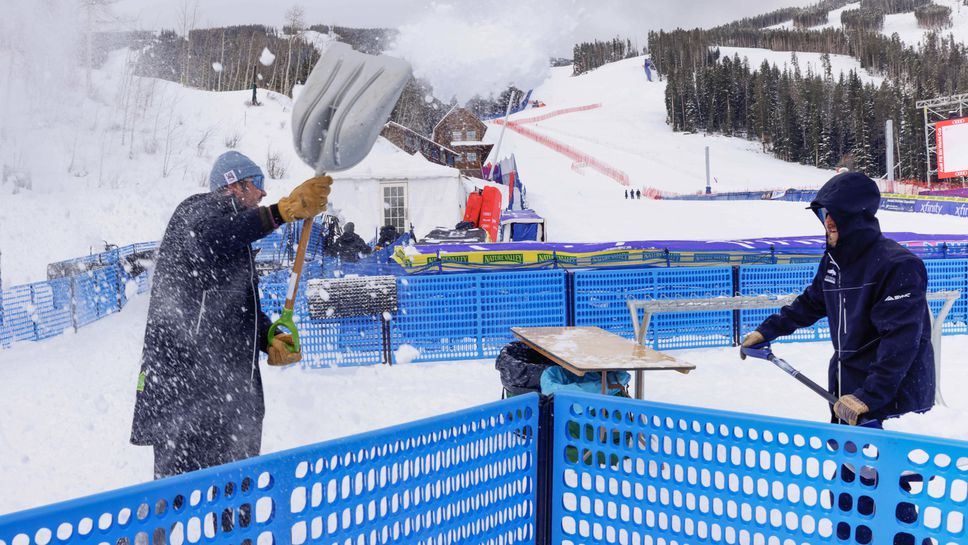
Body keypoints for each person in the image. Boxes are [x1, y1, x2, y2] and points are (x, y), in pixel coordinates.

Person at [130, 151, 332, 479]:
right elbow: (213, 235)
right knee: (172, 494)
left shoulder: (237, 238)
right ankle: (143, 533)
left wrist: (268, 337)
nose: (264, 193)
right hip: (186, 389)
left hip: (227, 393)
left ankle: (237, 532)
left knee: (235, 492)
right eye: (258, 184)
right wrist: (280, 212)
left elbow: (242, 308)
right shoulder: (197, 212)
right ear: (235, 186)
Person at [741, 172, 934, 426]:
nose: (828, 221)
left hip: (893, 400)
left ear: (856, 218)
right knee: (850, 461)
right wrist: (767, 330)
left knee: (882, 464)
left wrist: (870, 396)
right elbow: (812, 302)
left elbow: (900, 340)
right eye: (823, 214)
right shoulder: (834, 261)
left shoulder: (898, 265)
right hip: (851, 389)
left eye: (836, 215)